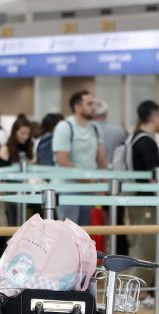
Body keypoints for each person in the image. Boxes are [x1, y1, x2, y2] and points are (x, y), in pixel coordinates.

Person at [125, 100, 159, 305]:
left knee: (141, 243)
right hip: (146, 200)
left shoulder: (134, 138)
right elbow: (154, 176)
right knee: (145, 245)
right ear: (155, 116)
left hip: (137, 198)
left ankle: (138, 290)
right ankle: (138, 292)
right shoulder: (147, 142)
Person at [53, 90, 109, 224]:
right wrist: (90, 181)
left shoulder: (95, 127)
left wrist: (104, 185)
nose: (93, 107)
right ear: (77, 107)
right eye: (89, 104)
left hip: (90, 190)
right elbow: (63, 161)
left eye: (94, 103)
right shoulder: (64, 127)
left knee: (87, 235)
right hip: (68, 190)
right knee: (68, 235)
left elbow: (102, 160)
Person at [93, 99, 128, 163]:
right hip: (116, 171)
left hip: (91, 171)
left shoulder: (87, 132)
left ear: (92, 115)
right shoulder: (120, 131)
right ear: (106, 114)